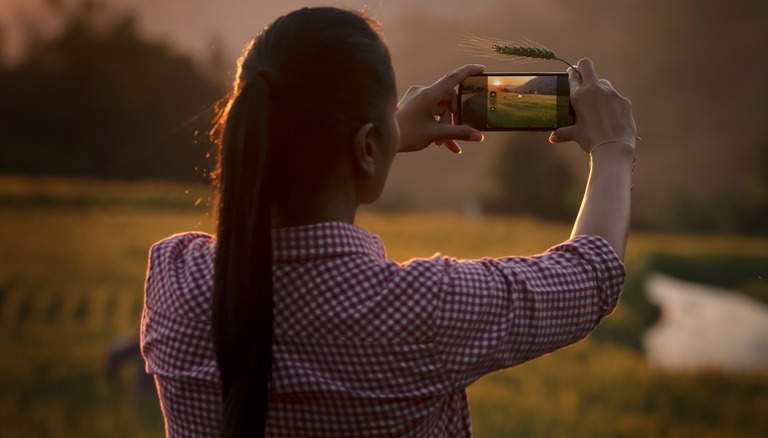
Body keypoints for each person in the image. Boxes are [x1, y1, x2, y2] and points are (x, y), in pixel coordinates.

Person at [140, 6, 636, 438]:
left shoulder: (173, 279)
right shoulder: (421, 311)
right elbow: (588, 277)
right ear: (366, 147)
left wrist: (373, 143)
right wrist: (613, 149)